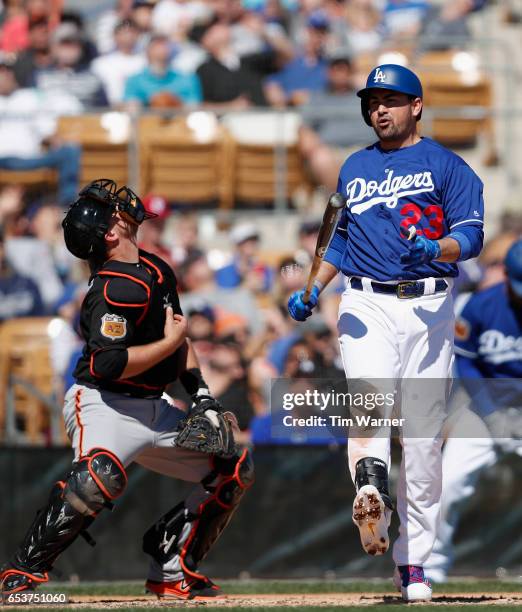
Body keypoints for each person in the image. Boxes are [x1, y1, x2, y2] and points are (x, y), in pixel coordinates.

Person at [0, 179, 253, 600]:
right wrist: (171, 344)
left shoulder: (156, 269)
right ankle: (22, 575)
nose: (120, 207)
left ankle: (171, 567)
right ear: (111, 233)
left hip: (153, 403)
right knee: (97, 476)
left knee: (233, 465)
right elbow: (108, 363)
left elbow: (178, 339)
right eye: (111, 210)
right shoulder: (111, 288)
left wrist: (203, 395)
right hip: (103, 403)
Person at [287, 64, 484, 601]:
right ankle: (371, 487)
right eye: (373, 101)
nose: (380, 109)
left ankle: (412, 563)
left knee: (421, 441)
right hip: (365, 302)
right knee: (370, 401)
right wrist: (314, 287)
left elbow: (471, 236)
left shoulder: (447, 165)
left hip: (430, 307)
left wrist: (435, 249)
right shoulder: (354, 167)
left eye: (391, 99)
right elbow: (339, 237)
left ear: (416, 106)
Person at [425, 239, 522, 582]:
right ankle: (431, 568)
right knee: (448, 483)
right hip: (485, 410)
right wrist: (493, 414)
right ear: (506, 274)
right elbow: (467, 368)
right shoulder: (480, 306)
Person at [123, 33, 201, 109]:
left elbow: (193, 106)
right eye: (156, 56)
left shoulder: (188, 79)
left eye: (164, 56)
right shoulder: (134, 81)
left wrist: (174, 102)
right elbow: (131, 106)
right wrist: (150, 102)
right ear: (147, 54)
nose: (161, 53)